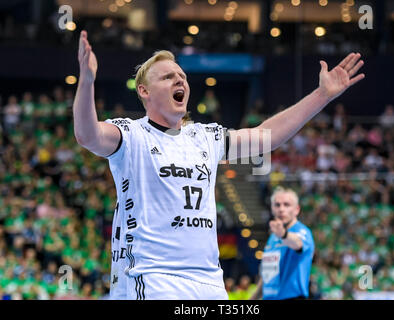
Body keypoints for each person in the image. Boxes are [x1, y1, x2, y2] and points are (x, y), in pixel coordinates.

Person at [73, 30, 364, 300]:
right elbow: (88, 135)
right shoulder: (131, 134)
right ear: (144, 92)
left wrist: (322, 95)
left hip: (209, 281)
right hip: (155, 278)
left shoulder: (206, 136)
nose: (179, 80)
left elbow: (267, 137)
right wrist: (86, 83)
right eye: (167, 77)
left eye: (182, 75)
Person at [250, 187, 314, 300]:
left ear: (297, 209)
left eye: (286, 205)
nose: (281, 209)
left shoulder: (302, 231)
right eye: (277, 205)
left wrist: (284, 234)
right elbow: (266, 274)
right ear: (272, 208)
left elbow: (297, 243)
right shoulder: (272, 238)